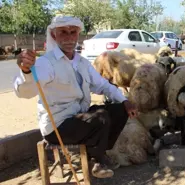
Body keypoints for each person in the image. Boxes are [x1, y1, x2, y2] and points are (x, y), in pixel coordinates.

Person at [13, 15, 138, 179]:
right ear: (54, 35)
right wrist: (26, 71)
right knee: (101, 117)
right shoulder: (46, 63)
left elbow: (102, 85)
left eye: (73, 32)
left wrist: (125, 100)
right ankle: (98, 158)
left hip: (81, 118)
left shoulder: (82, 62)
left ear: (78, 35)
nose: (69, 37)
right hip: (58, 127)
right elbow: (24, 92)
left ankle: (97, 152)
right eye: (63, 32)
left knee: (119, 110)